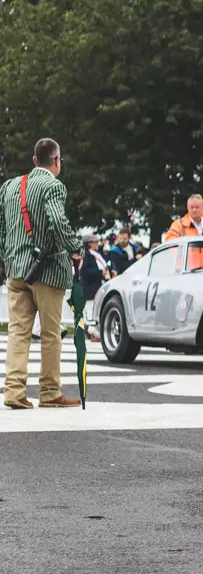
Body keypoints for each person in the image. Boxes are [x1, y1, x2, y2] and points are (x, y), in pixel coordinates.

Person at [0, 138, 83, 409]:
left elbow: (3, 230)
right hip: (46, 272)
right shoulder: (53, 186)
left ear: (35, 160)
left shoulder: (9, 187)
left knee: (18, 332)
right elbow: (58, 221)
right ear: (56, 161)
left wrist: (9, 258)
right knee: (50, 333)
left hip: (16, 270)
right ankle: (49, 392)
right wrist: (75, 248)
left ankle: (13, 392)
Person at [79, 234, 111, 300]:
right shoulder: (85, 255)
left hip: (101, 283)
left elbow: (104, 262)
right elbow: (84, 271)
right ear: (89, 244)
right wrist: (100, 272)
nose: (97, 244)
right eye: (96, 242)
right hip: (91, 288)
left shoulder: (96, 253)